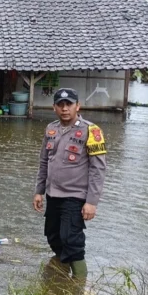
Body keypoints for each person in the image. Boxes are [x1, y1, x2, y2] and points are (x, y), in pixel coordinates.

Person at [33, 88, 107, 279]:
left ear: (77, 106)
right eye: (60, 105)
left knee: (71, 240)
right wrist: (39, 191)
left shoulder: (92, 131)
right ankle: (60, 276)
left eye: (69, 104)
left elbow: (98, 169)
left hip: (75, 196)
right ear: (54, 108)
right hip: (53, 194)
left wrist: (92, 202)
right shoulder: (51, 129)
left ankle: (79, 285)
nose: (65, 108)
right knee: (53, 236)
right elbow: (44, 161)